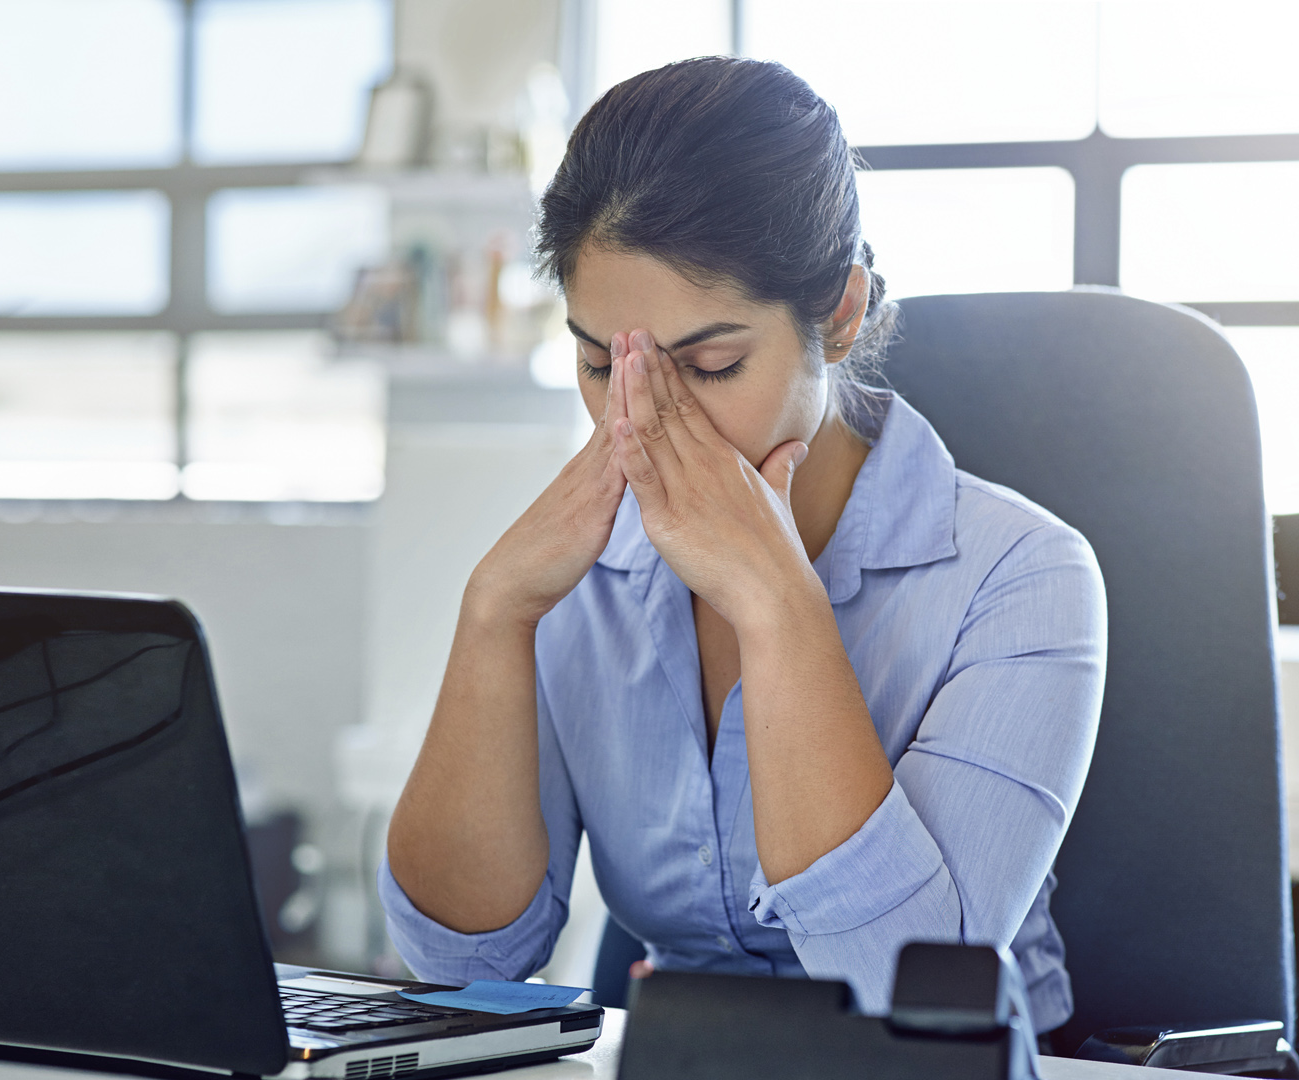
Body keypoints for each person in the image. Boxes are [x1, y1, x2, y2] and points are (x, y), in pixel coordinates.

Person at [381, 57, 1106, 1033]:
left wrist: (776, 607)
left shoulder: (1022, 576)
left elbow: (915, 999)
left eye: (711, 365)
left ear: (839, 315)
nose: (644, 416)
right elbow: (462, 965)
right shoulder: (580, 567)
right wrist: (494, 614)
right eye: (601, 364)